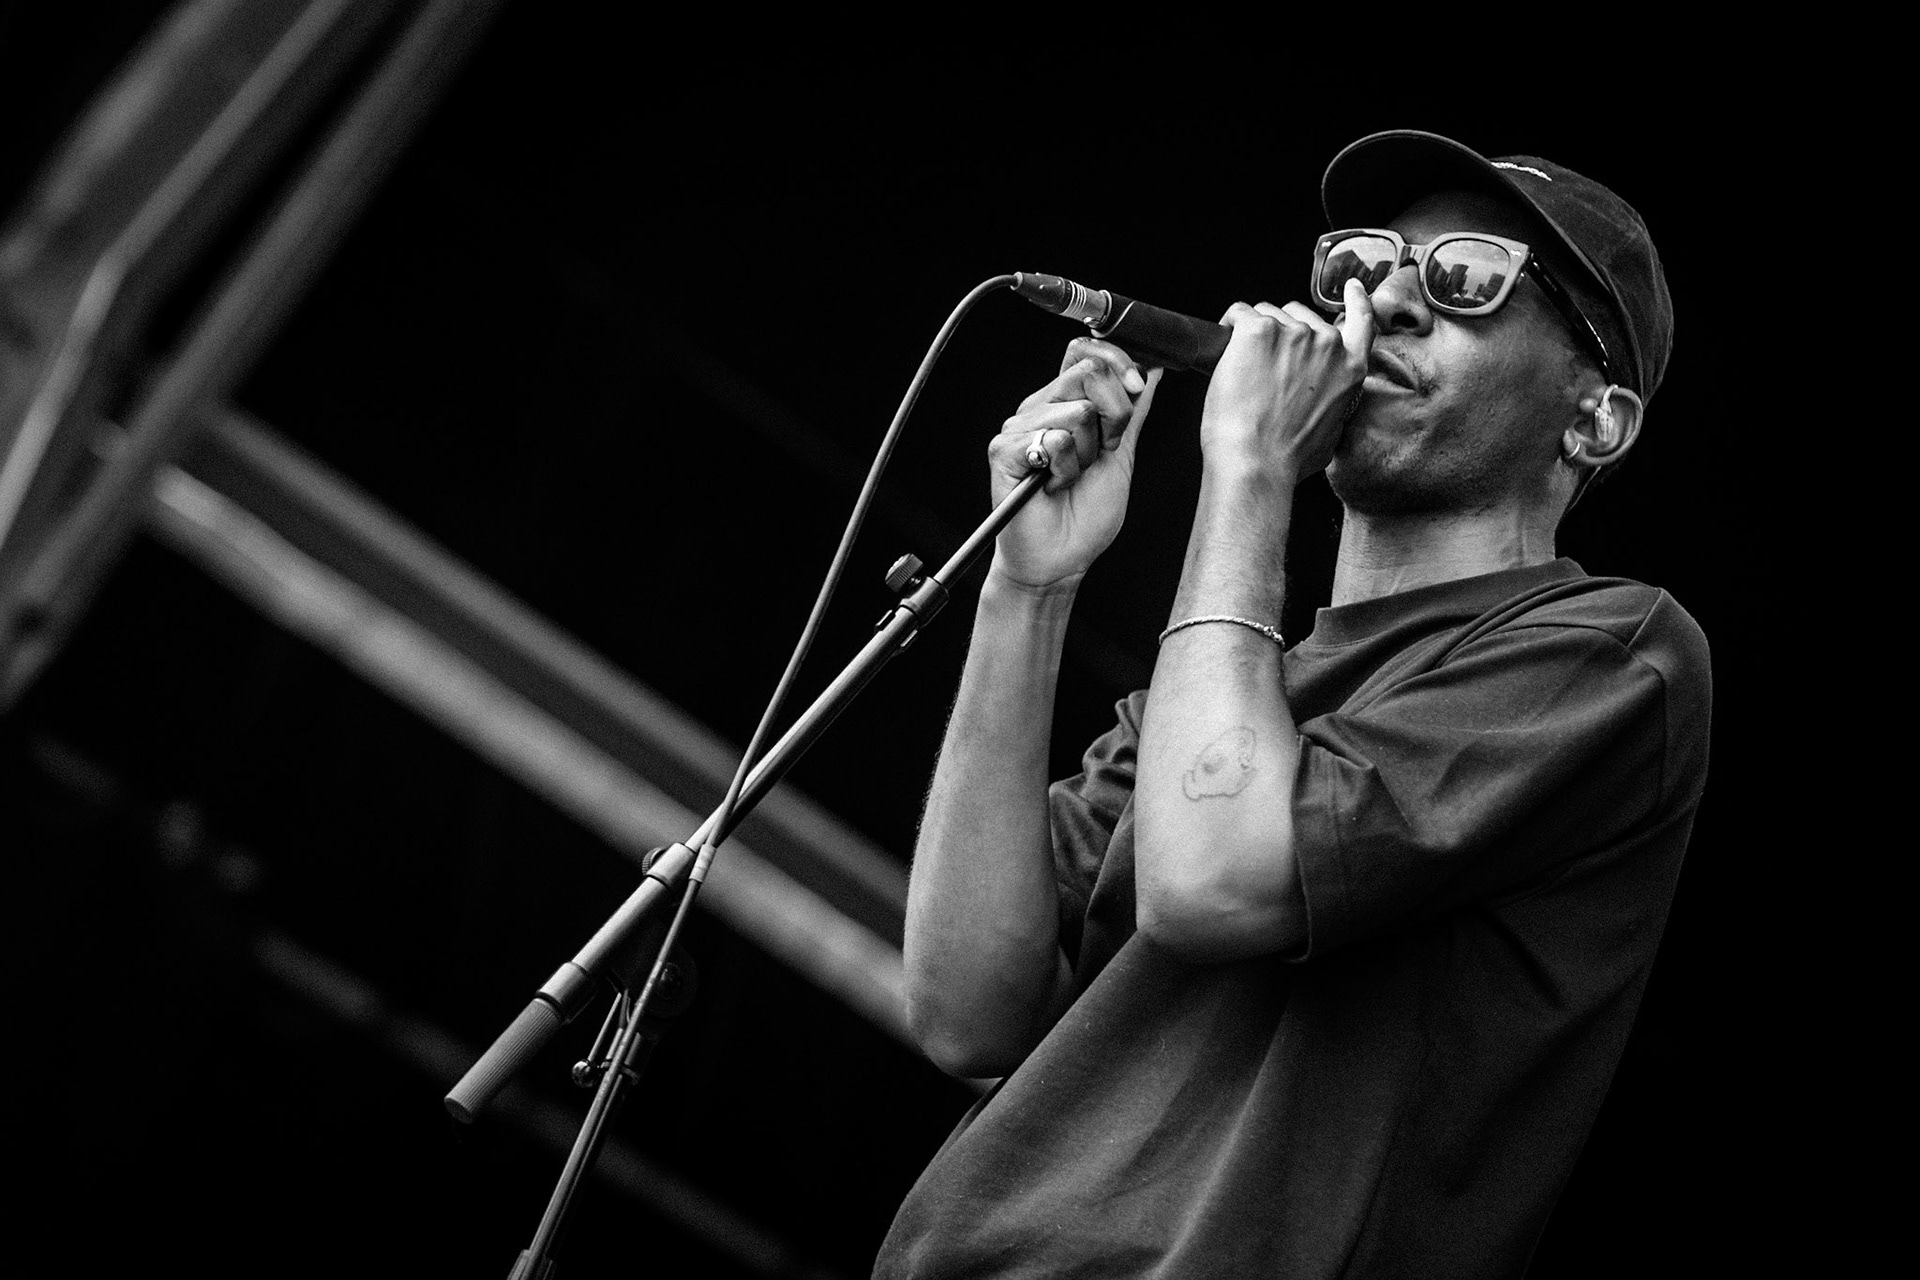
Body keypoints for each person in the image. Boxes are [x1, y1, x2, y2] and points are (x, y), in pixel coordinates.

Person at [870, 129, 1711, 1279]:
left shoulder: (1611, 653)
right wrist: (1031, 587)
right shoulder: (1217, 688)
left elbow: (1212, 878)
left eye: (1467, 277)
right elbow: (967, 1006)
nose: (1389, 304)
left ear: (1594, 420)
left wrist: (1252, 471)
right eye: (1363, 265)